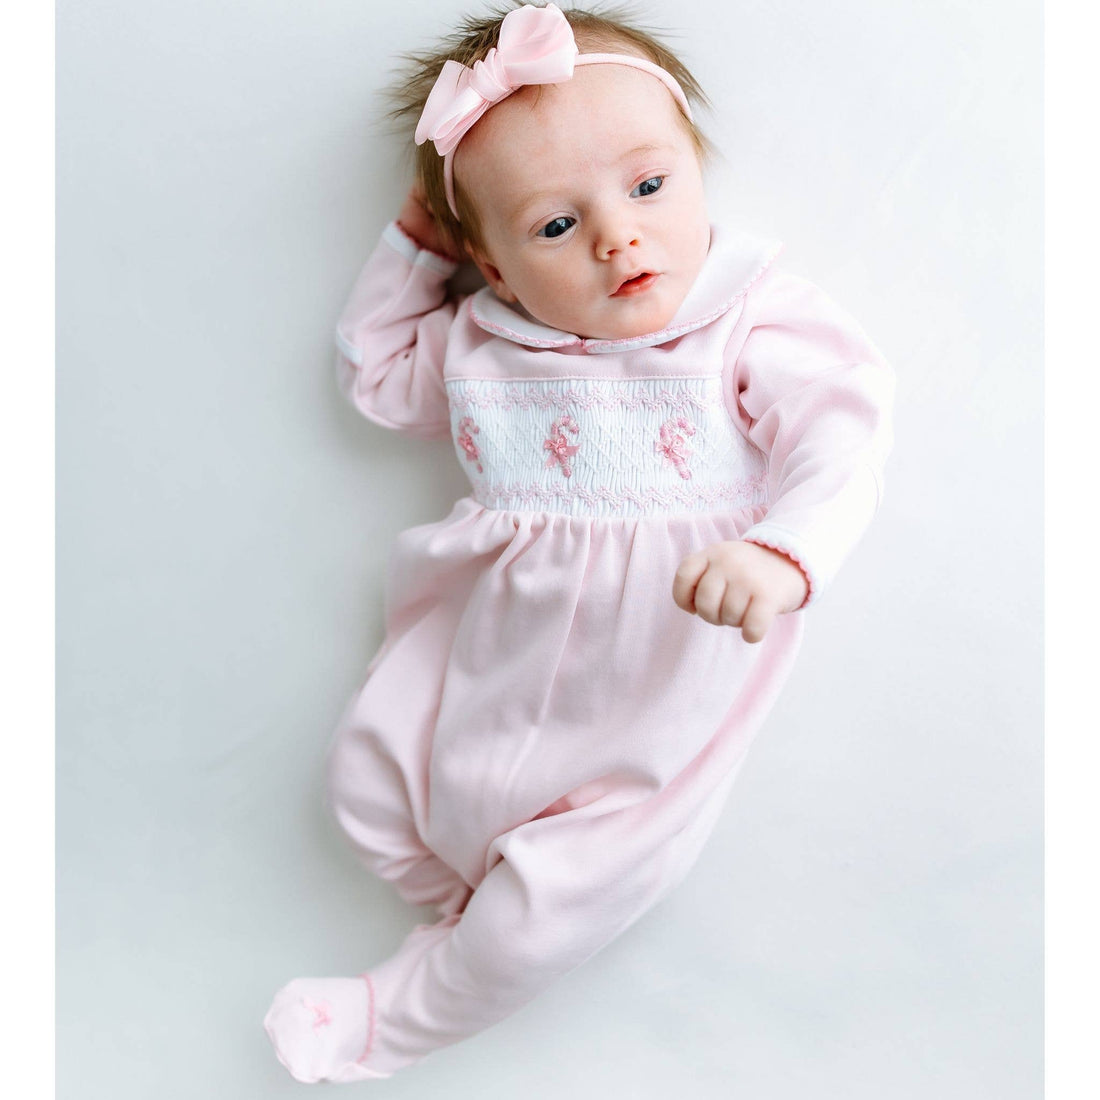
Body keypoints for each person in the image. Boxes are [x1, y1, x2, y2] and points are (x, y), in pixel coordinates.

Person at [264, 2, 894, 1083]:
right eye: (554, 225)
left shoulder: (747, 318)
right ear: (496, 267)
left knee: (570, 890)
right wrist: (414, 249)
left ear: (695, 170)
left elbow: (843, 428)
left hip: (660, 672)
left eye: (648, 186)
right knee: (365, 782)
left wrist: (781, 551)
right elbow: (376, 379)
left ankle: (394, 1016)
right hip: (484, 651)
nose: (617, 237)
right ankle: (459, 910)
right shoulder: (482, 339)